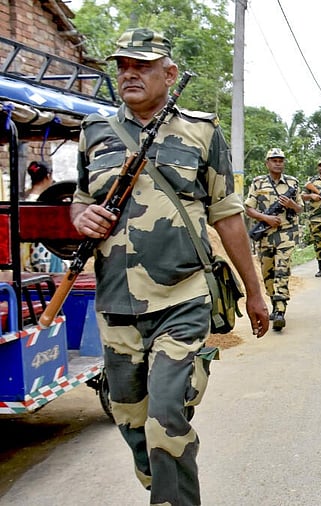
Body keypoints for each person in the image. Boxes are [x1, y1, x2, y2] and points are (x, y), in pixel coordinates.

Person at [71, 28, 268, 505]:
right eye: (123, 66)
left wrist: (255, 291)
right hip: (116, 302)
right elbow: (79, 200)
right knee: (132, 420)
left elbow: (227, 215)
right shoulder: (94, 132)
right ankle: (165, 487)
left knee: (166, 416)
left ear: (170, 73)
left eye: (141, 65)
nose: (129, 74)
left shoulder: (202, 132)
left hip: (182, 296)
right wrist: (81, 216)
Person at [244, 148, 302, 331]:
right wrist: (266, 218)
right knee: (267, 273)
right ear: (267, 163)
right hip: (265, 235)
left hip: (286, 234)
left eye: (280, 160)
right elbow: (248, 208)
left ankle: (280, 310)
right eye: (274, 160)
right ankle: (274, 303)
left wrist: (291, 204)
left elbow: (300, 208)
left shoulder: (292, 183)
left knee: (282, 270)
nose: (278, 163)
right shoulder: (258, 183)